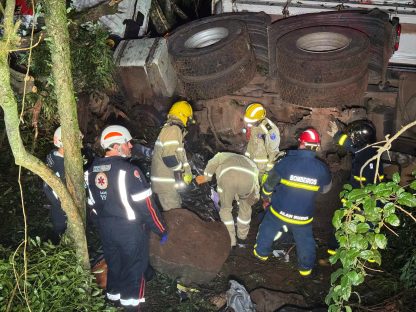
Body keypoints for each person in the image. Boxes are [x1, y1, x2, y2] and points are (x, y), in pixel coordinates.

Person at [85, 125, 167, 310]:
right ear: (116, 145)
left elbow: (92, 207)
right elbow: (147, 206)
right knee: (134, 271)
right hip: (130, 232)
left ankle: (112, 303)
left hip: (106, 231)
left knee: (114, 267)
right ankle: (131, 307)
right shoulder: (129, 171)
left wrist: (103, 225)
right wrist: (161, 229)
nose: (130, 146)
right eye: (127, 142)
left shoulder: (90, 171)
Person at [253, 129, 332, 277]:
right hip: (303, 216)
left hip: (279, 212)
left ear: (301, 143)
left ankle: (261, 253)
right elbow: (326, 189)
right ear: (316, 147)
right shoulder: (321, 169)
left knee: (267, 228)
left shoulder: (286, 162)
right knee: (305, 241)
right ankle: (305, 268)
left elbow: (269, 185)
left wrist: (265, 197)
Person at [326, 119, 384, 255]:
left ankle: (335, 249)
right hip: (369, 198)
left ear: (359, 138)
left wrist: (338, 136)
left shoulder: (366, 156)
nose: (351, 138)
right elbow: (351, 146)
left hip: (361, 197)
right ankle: (369, 253)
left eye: (353, 136)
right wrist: (338, 135)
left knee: (344, 220)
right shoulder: (370, 151)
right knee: (370, 224)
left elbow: (351, 146)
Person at [196, 152, 259, 248]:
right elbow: (256, 178)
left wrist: (206, 178)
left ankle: (231, 241)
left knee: (225, 209)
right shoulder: (249, 161)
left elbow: (211, 164)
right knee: (245, 207)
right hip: (248, 179)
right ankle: (242, 238)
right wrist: (255, 195)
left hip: (228, 177)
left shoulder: (220, 155)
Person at [151, 100, 194, 211]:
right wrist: (182, 172)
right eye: (188, 119)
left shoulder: (170, 129)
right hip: (166, 187)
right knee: (175, 218)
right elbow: (169, 158)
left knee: (177, 212)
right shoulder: (173, 130)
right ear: (183, 116)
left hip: (167, 185)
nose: (188, 122)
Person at [243, 103, 281, 183]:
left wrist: (268, 172)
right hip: (252, 166)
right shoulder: (254, 125)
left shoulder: (270, 131)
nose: (249, 124)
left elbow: (273, 153)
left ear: (259, 119)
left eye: (252, 121)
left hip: (262, 170)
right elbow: (251, 145)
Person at [43, 126, 67, 243]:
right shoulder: (61, 164)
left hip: (57, 208)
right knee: (60, 237)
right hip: (61, 211)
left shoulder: (52, 155)